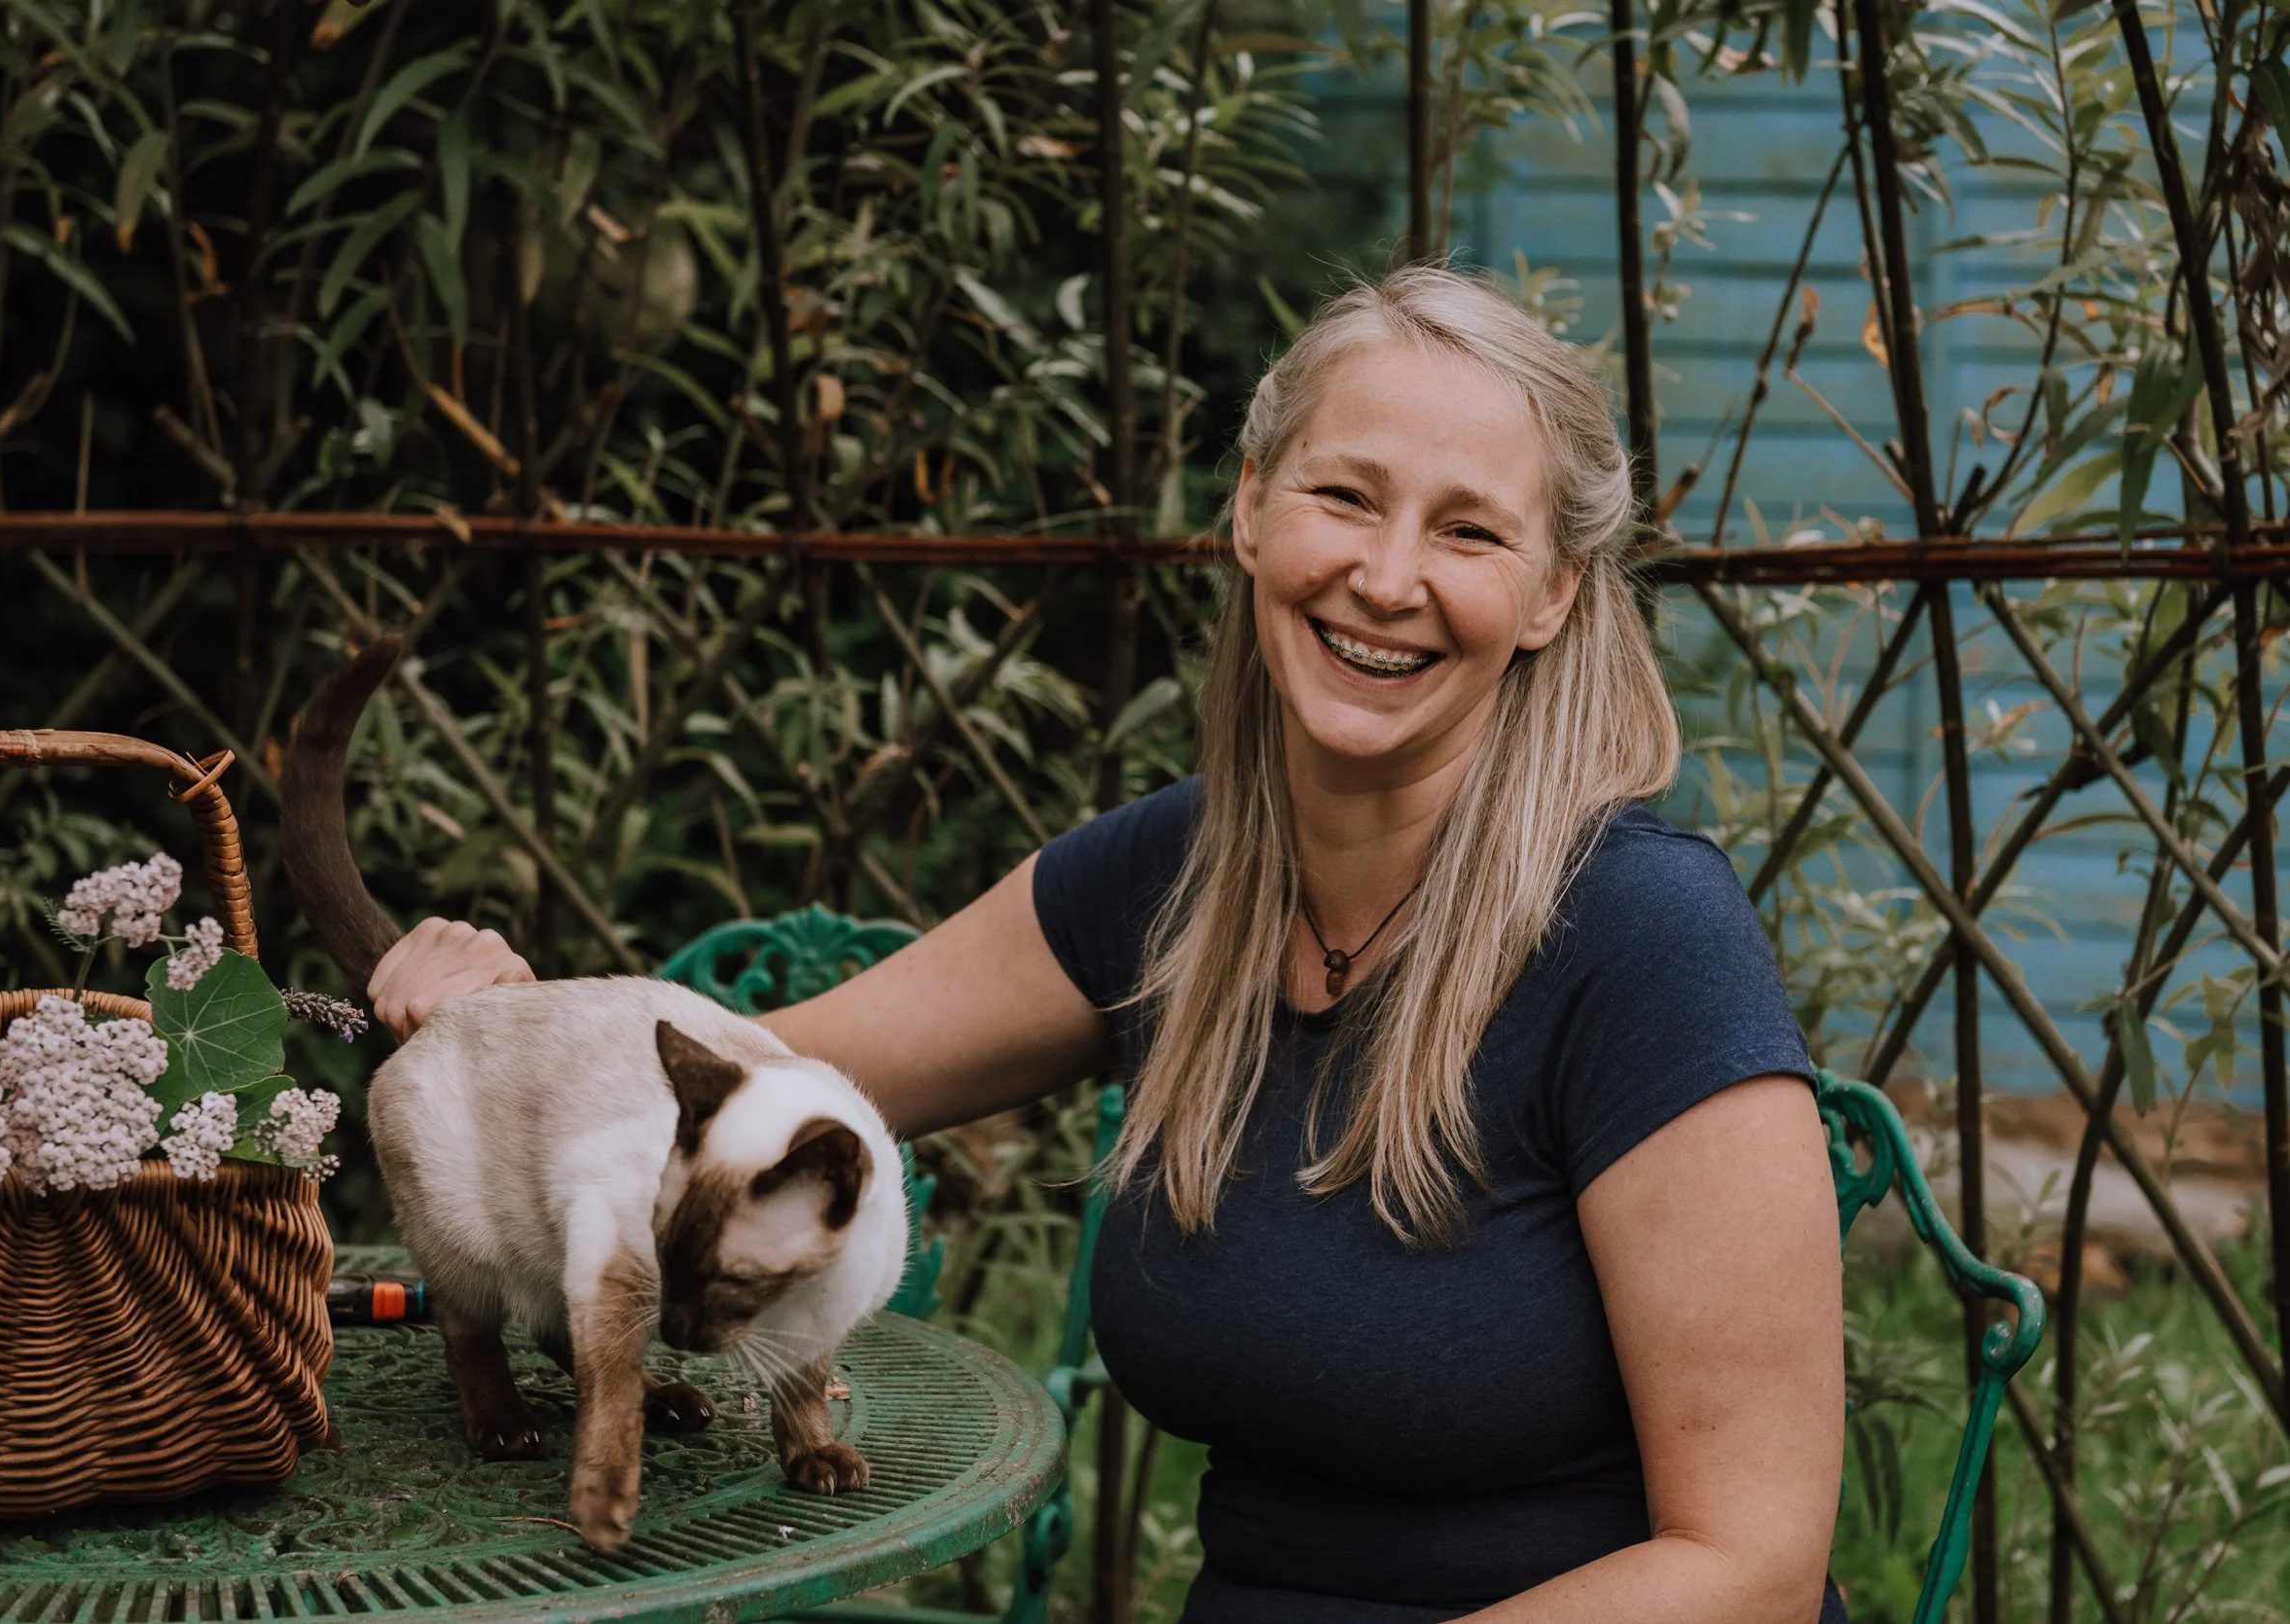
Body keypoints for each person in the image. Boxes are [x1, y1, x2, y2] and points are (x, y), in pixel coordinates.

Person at [365, 266, 1847, 1623]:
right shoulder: (1171, 882)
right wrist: (498, 1021)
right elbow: (774, 1074)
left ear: (1552, 594)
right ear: (1252, 508)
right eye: (1346, 496)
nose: (1389, 579)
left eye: (1469, 530)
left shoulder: (1644, 941)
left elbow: (1754, 1565)